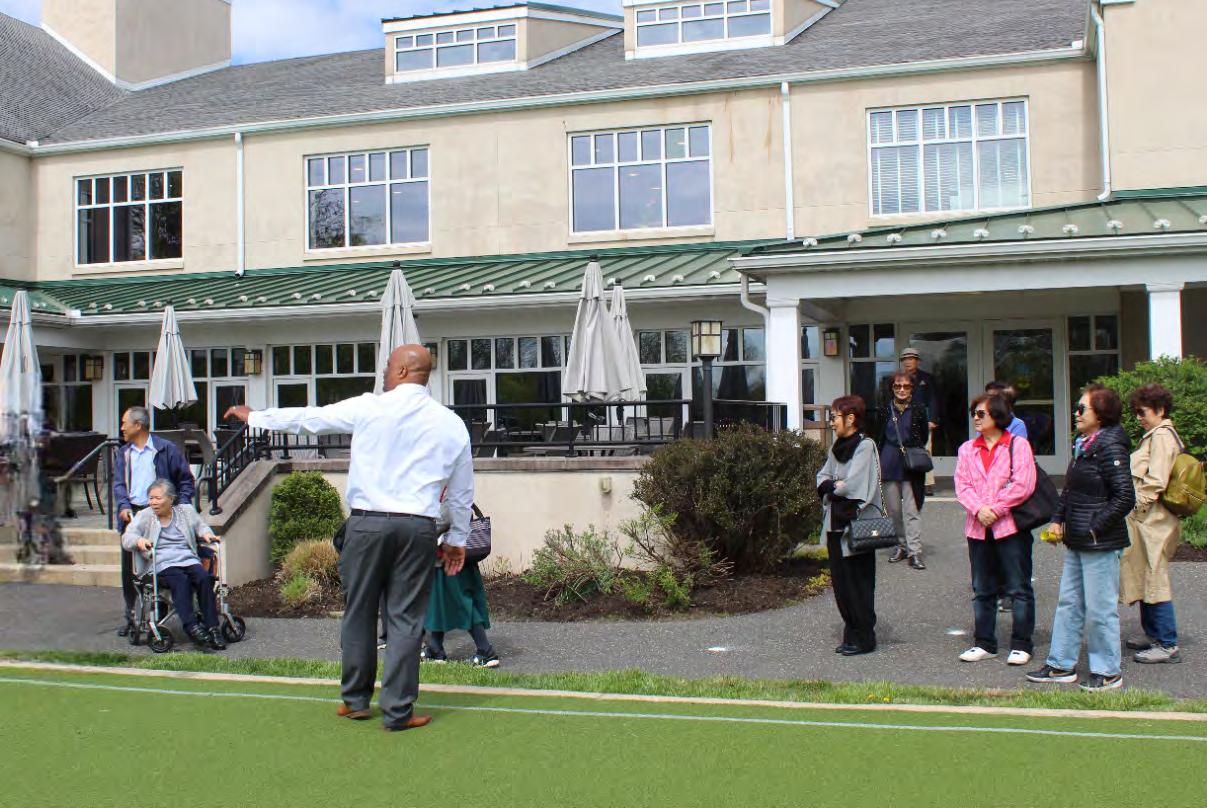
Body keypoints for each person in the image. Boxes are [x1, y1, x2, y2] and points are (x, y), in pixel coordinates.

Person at [225, 345, 472, 733]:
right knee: (406, 619)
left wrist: (256, 417)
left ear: (404, 371)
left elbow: (312, 419)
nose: (384, 372)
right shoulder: (451, 423)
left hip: (367, 524)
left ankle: (356, 701)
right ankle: (398, 711)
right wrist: (457, 539)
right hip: (417, 528)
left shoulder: (368, 407)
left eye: (388, 366)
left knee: (359, 611)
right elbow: (460, 492)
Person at [1028, 384, 1134, 691]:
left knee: (1100, 610)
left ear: (1101, 414)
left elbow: (1125, 496)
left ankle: (1108, 671)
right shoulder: (1084, 444)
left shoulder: (1111, 446)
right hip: (1078, 539)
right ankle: (1061, 664)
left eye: (1081, 408)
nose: (1076, 414)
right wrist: (1058, 519)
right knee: (1069, 603)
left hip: (1099, 543)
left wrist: (1093, 527)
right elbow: (1071, 490)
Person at [953, 393, 1038, 666]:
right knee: (982, 588)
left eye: (981, 414)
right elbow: (962, 485)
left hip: (1010, 527)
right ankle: (984, 642)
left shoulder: (1018, 445)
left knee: (1018, 586)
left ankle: (1022, 643)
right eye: (974, 414)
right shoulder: (967, 449)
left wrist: (996, 509)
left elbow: (1023, 484)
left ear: (997, 416)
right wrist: (979, 509)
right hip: (978, 528)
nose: (976, 419)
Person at [112, 406, 196, 640]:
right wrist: (123, 505)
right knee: (131, 571)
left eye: (124, 423)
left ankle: (159, 617)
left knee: (161, 564)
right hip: (134, 515)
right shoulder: (123, 453)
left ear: (138, 425)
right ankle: (132, 617)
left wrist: (180, 507)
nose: (122, 428)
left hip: (160, 514)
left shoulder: (165, 449)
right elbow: (119, 484)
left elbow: (186, 481)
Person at [121, 478, 225, 651]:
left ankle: (213, 628)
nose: (153, 502)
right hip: (161, 563)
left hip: (188, 559)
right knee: (180, 580)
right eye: (151, 498)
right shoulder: (145, 516)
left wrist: (207, 534)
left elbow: (201, 526)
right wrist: (139, 541)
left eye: (158, 498)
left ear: (171, 498)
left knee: (204, 579)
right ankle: (191, 626)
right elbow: (127, 537)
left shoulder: (186, 511)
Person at [817, 395, 883, 656]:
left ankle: (864, 637)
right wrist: (833, 485)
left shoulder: (865, 446)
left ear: (851, 418)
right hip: (835, 523)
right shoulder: (837, 447)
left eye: (834, 417)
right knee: (841, 584)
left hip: (855, 525)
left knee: (858, 584)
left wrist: (833, 487)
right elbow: (822, 476)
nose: (832, 422)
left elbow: (854, 485)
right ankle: (851, 632)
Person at [1122, 384, 1183, 664]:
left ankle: (1168, 643)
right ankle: (1153, 634)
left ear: (1160, 410)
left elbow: (1156, 481)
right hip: (1149, 519)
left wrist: (1135, 508)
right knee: (1146, 575)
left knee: (1155, 578)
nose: (1138, 417)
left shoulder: (1161, 437)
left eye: (1142, 412)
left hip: (1153, 520)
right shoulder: (1157, 435)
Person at [875, 371, 929, 570]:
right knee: (894, 511)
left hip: (911, 465)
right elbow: (878, 436)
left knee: (912, 511)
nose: (902, 390)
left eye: (906, 386)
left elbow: (923, 436)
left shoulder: (919, 409)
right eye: (897, 386)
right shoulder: (884, 410)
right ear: (892, 388)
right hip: (889, 463)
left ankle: (914, 552)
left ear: (912, 388)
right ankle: (900, 546)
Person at [420, 549, 499, 668]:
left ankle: (486, 651)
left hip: (450, 556)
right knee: (440, 600)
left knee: (462, 604)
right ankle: (435, 650)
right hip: (456, 555)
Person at [898, 348, 939, 492]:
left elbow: (933, 399)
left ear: (917, 361)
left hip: (923, 418)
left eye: (911, 359)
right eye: (905, 359)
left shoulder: (927, 378)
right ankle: (905, 481)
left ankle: (927, 484)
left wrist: (932, 419)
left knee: (925, 450)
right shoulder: (898, 379)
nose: (908, 362)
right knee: (902, 449)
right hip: (903, 417)